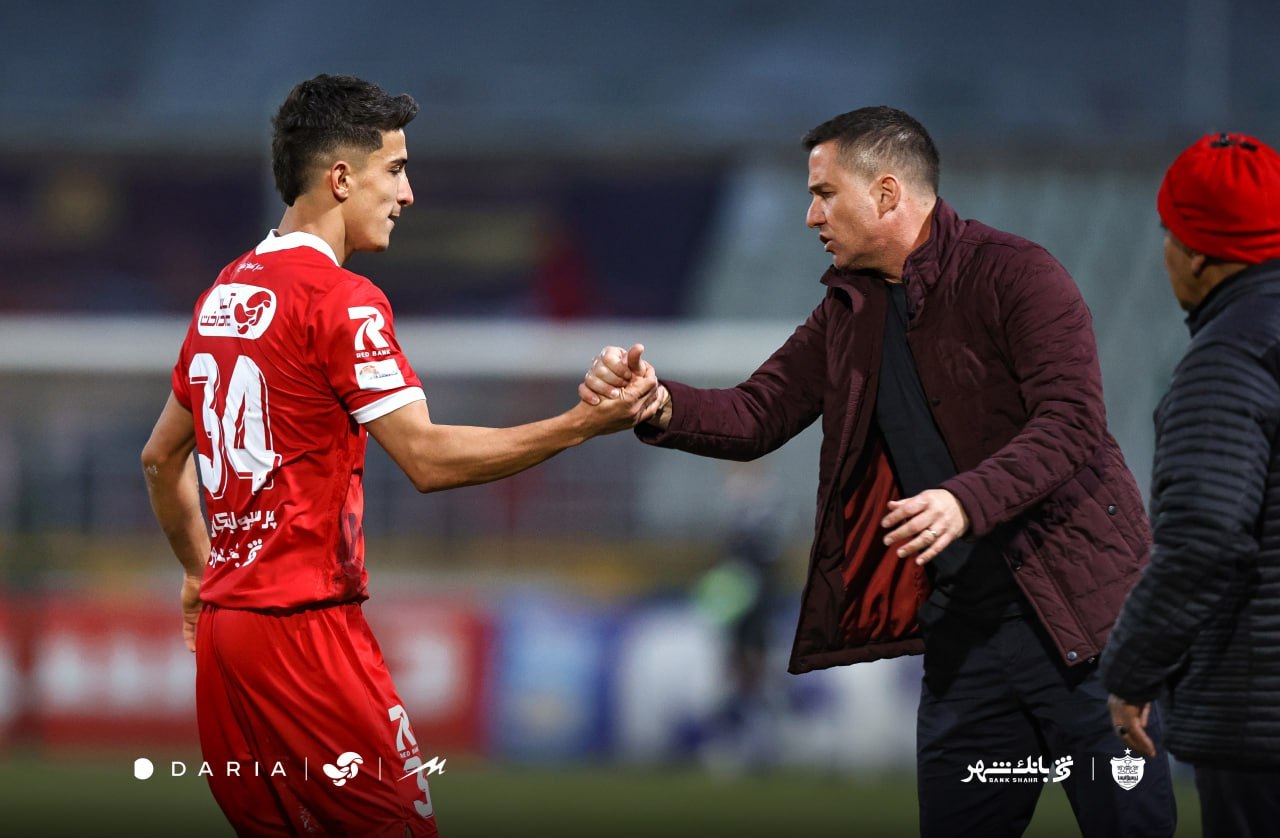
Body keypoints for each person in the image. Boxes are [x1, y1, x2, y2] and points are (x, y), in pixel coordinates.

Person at [583, 106, 1176, 836]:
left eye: (824, 194)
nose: (811, 216)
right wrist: (659, 403)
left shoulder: (1019, 274)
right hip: (967, 639)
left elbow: (1072, 422)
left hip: (1084, 630)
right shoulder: (848, 309)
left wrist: (964, 501)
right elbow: (758, 412)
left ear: (887, 194)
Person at [140, 74, 661, 836]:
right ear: (341, 178)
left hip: (227, 636)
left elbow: (160, 459)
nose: (408, 194)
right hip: (305, 633)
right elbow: (427, 459)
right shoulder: (341, 299)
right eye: (396, 169)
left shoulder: (224, 293)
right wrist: (582, 424)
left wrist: (198, 570)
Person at [1101, 133, 1280, 838]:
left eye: (1169, 234)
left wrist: (1132, 671)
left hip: (1261, 722)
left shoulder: (1230, 359)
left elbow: (1205, 539)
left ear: (1199, 253)